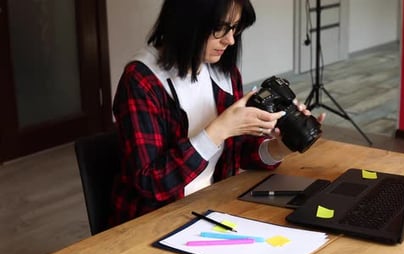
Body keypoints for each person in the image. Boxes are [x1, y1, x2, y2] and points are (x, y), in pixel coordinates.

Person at [110, 0, 325, 226]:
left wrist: (279, 147)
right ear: (187, 22)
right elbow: (150, 182)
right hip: (152, 222)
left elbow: (237, 152)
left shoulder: (222, 71)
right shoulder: (141, 81)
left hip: (212, 206)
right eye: (220, 28)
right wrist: (217, 131)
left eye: (234, 28)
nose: (230, 40)